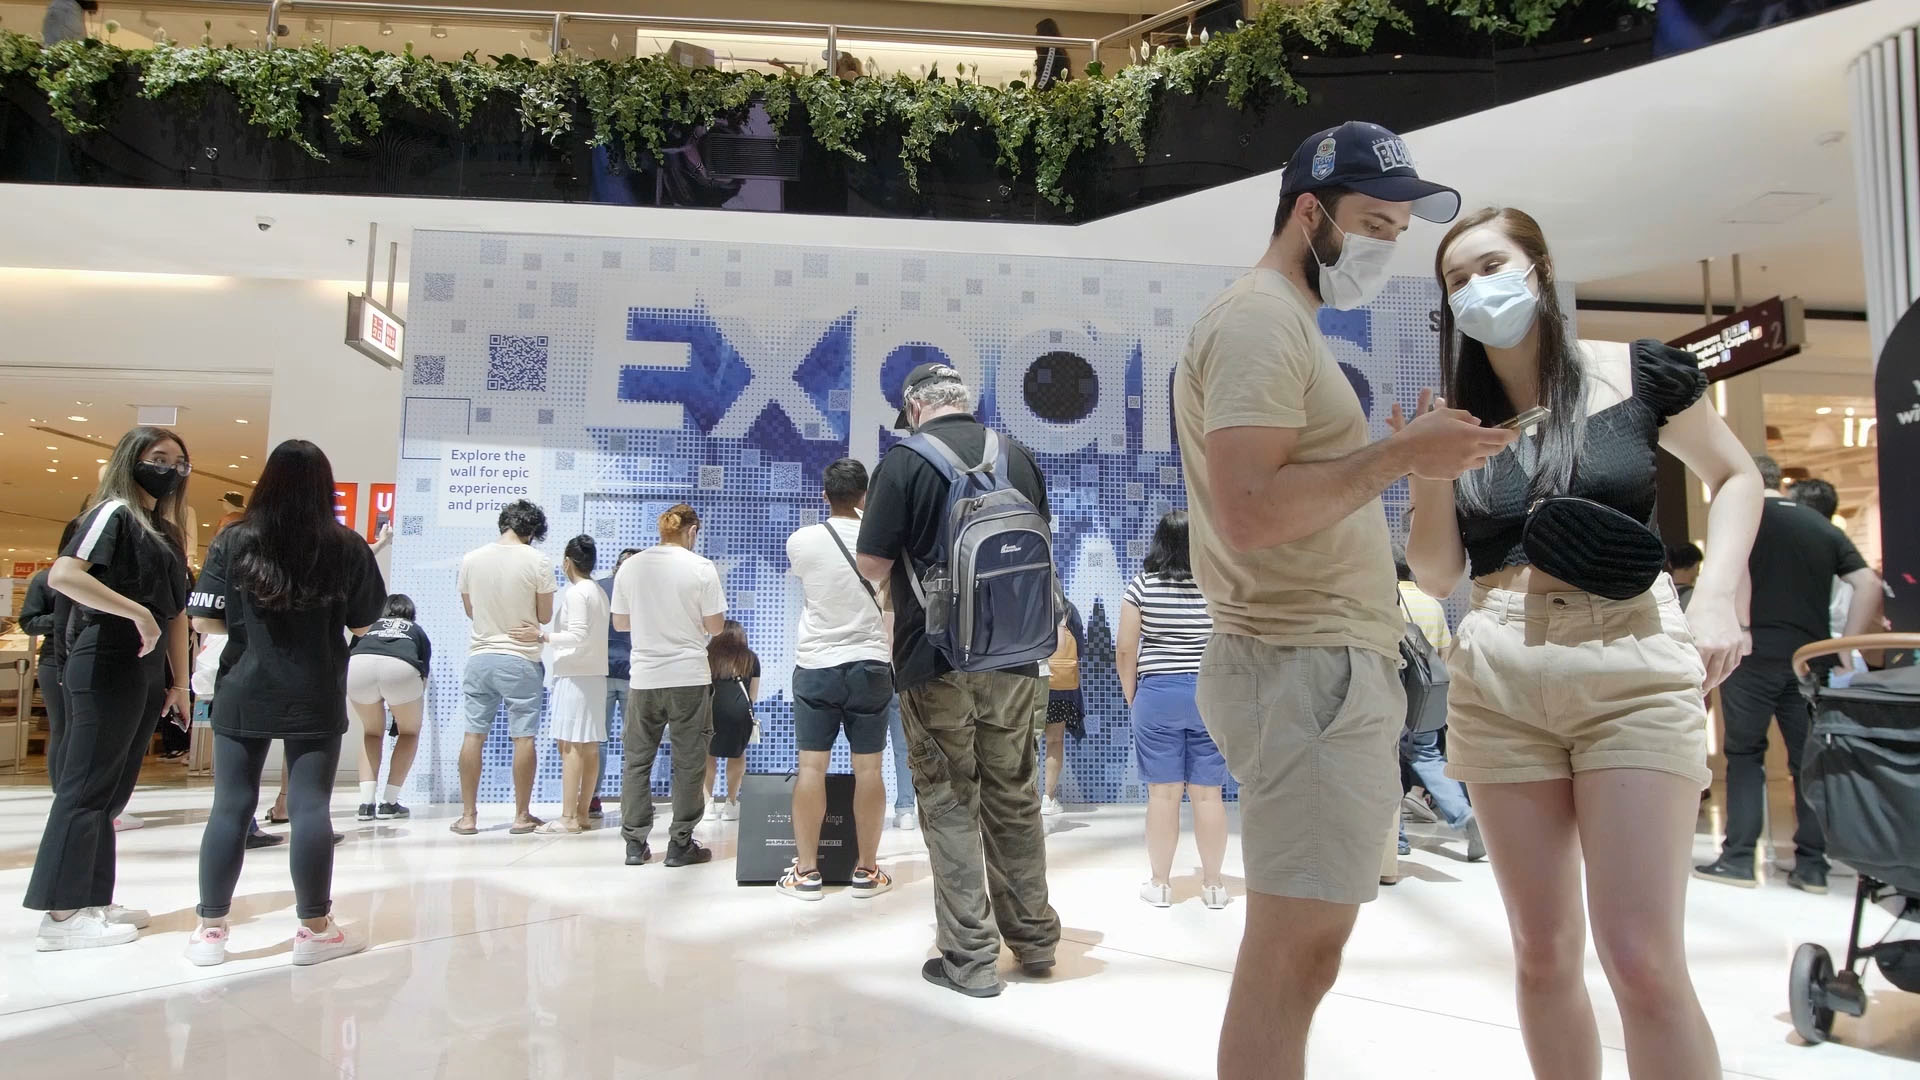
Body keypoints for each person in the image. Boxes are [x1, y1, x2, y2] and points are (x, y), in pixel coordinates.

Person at [1403, 206, 1764, 1080]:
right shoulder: (1458, 419)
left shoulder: (1632, 374)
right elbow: (1440, 575)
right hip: (1500, 667)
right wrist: (1422, 467)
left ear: (1537, 268)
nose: (1475, 288)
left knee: (1642, 959)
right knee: (1541, 949)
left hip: (1631, 658)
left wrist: (1718, 595)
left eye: (1489, 264)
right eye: (1456, 281)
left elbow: (1737, 475)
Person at [1175, 122, 1501, 1078]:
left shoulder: (1283, 324)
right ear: (1308, 212)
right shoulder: (1260, 320)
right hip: (1304, 666)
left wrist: (1409, 465)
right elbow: (1247, 512)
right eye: (1371, 221)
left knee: (1308, 950)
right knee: (1296, 949)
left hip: (1319, 666)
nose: (1386, 245)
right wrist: (1403, 455)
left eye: (1399, 227)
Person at [856, 362, 1061, 997]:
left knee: (948, 802)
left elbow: (871, 562)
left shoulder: (905, 462)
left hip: (935, 661)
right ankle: (1034, 939)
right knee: (1015, 797)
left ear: (915, 408)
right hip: (1018, 658)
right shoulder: (1019, 456)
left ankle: (969, 959)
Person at [183, 439, 386, 967]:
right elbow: (364, 624)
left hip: (243, 688)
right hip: (314, 688)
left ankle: (210, 931)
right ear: (326, 487)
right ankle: (314, 928)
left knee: (230, 806)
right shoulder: (347, 545)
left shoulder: (234, 542)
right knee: (310, 807)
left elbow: (203, 618)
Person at [26, 426, 193, 951]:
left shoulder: (163, 532)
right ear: (131, 459)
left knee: (112, 792)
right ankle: (60, 913)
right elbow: (64, 575)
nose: (171, 469)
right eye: (159, 457)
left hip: (145, 671)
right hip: (105, 659)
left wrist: (181, 682)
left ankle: (90, 898)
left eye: (179, 462)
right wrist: (136, 610)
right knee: (86, 788)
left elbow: (177, 613)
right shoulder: (112, 514)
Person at [1695, 457, 1884, 895]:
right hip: (1809, 660)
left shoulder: (1743, 521)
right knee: (1807, 762)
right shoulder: (1824, 528)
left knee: (1745, 755)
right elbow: (1868, 584)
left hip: (1752, 655)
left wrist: (1741, 628)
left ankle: (1740, 859)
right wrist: (1846, 647)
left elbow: (1735, 568)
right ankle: (1812, 868)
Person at [780, 458, 897, 900]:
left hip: (816, 664)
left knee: (812, 767)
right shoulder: (880, 540)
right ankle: (866, 870)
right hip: (870, 662)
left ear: (824, 495)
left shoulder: (802, 540)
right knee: (869, 770)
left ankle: (807, 872)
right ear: (865, 495)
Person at [1116, 510, 1229, 910]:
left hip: (1156, 694)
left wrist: (1134, 697)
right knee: (1208, 796)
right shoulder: (1215, 585)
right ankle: (1214, 886)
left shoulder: (1142, 585)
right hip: (1209, 696)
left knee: (1162, 797)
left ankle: (1161, 885)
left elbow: (1126, 648)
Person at [611, 504, 725, 868]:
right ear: (692, 531)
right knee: (689, 762)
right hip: (688, 676)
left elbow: (621, 624)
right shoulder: (701, 567)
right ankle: (680, 843)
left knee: (637, 761)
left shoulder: (631, 566)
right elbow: (717, 626)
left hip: (644, 677)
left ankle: (634, 842)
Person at [452, 500, 554, 836]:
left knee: (473, 735)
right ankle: (521, 815)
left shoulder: (471, 558)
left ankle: (468, 817)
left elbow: (470, 610)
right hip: (520, 658)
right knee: (523, 738)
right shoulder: (538, 561)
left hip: (480, 655)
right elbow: (544, 615)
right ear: (532, 532)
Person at [1392, 544, 1483, 862]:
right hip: (1428, 697)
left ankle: (1396, 838)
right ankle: (1464, 816)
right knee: (1428, 756)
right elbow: (1443, 656)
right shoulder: (1431, 603)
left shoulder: (1386, 601)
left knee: (1386, 762)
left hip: (1393, 694)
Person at [536, 536, 610, 835]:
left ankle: (568, 817)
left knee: (571, 747)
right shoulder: (598, 592)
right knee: (588, 746)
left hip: (575, 675)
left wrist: (544, 637)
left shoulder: (577, 592)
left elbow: (577, 634)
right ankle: (581, 814)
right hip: (592, 676)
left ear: (567, 561)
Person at [347, 594, 431, 821]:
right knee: (409, 733)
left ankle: (366, 804)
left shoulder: (370, 626)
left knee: (371, 733)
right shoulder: (415, 629)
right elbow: (422, 671)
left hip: (358, 666)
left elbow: (353, 650)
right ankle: (390, 802)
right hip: (401, 669)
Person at [17, 519, 78, 784]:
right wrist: (64, 619)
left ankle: (76, 792)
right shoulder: (46, 579)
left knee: (81, 730)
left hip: (90, 658)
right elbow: (28, 622)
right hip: (54, 660)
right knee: (62, 728)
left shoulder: (98, 579)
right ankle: (60, 791)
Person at [590, 548, 640, 820]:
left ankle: (592, 797)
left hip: (601, 671)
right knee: (635, 741)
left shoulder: (597, 589)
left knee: (598, 738)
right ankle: (633, 800)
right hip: (635, 673)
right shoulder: (645, 592)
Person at [704, 620, 758, 822]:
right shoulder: (750, 658)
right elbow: (753, 695)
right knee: (737, 755)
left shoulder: (707, 657)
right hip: (738, 713)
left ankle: (708, 804)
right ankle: (731, 803)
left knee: (708, 756)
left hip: (710, 711)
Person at [1041, 601, 1084, 816]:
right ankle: (1047, 798)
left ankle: (1025, 798)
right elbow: (1080, 649)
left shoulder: (1023, 603)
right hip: (1059, 685)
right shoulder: (1067, 609)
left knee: (1023, 742)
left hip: (1027, 682)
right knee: (1055, 740)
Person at [1033, 18, 1072, 90]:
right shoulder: (1055, 51)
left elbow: (1045, 77)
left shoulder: (1052, 51)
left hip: (1050, 94)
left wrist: (1037, 93)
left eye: (1037, 34)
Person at [1666, 542, 1704, 610]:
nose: (1698, 574)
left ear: (1670, 565)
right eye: (1698, 567)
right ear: (1695, 565)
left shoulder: (1661, 593)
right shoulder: (1695, 596)